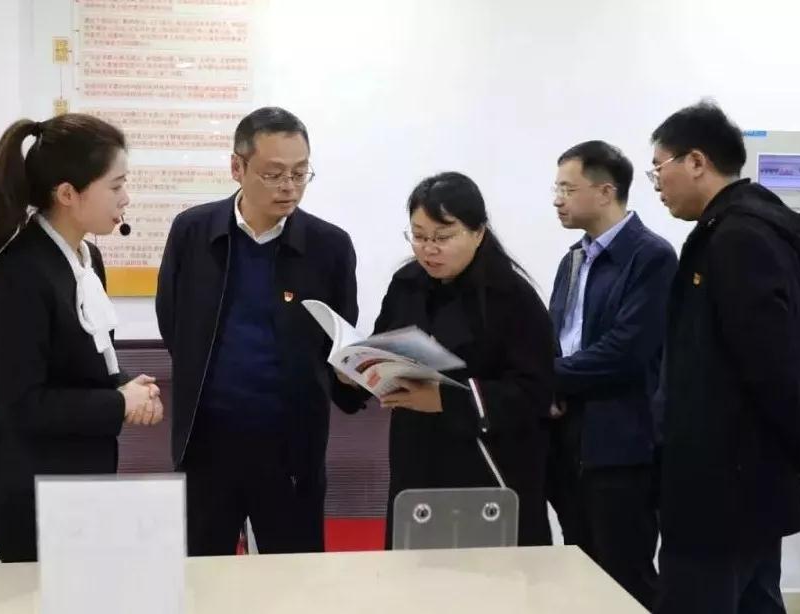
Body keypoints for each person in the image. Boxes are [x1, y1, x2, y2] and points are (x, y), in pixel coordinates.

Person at [650, 101, 800, 614]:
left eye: (658, 167)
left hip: (721, 487)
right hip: (743, 481)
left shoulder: (736, 239)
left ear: (696, 161)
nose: (656, 184)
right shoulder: (746, 230)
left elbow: (771, 366)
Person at [155, 107, 358, 556]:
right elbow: (173, 322)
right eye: (273, 174)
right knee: (202, 574)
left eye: (301, 173)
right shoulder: (192, 231)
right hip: (208, 442)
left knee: (294, 578)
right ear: (237, 167)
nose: (289, 187)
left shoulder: (329, 246)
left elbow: (340, 340)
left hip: (290, 448)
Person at [0, 114, 164, 563]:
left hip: (80, 478)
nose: (126, 198)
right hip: (33, 489)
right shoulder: (19, 274)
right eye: (116, 186)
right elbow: (23, 404)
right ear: (68, 194)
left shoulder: (87, 257)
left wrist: (128, 385)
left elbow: (83, 363)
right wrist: (119, 403)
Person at [336, 171, 555, 547]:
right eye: (419, 236)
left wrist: (446, 399)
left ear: (478, 232)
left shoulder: (511, 296)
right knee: (415, 572)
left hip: (486, 464)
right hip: (414, 457)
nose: (428, 249)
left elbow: (535, 390)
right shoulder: (406, 284)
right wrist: (355, 372)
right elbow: (383, 348)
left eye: (443, 237)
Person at [546, 140, 676, 610]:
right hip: (568, 437)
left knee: (626, 574)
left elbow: (626, 351)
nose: (557, 200)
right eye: (556, 189)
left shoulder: (652, 257)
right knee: (579, 569)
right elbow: (557, 336)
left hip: (622, 443)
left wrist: (546, 378)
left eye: (567, 189)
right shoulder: (573, 259)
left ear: (605, 191)